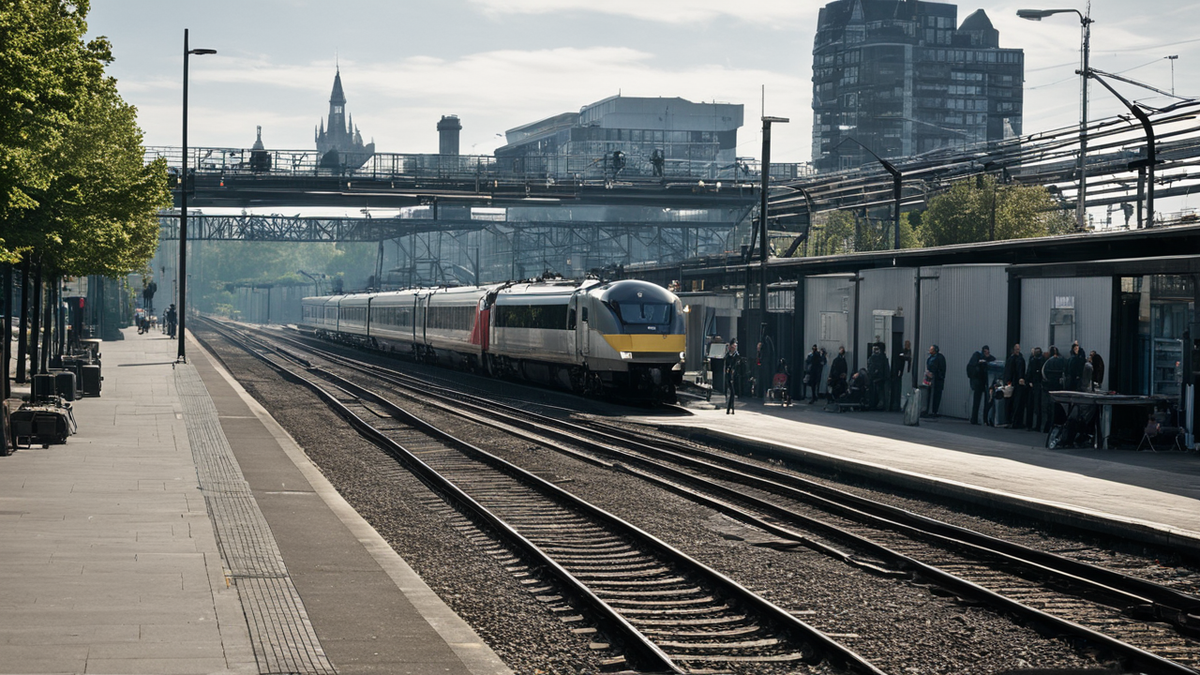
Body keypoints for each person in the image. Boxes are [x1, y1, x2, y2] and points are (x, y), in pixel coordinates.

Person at [1041, 346, 1066, 433]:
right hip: (1058, 388)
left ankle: (1048, 427)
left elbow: (1043, 374)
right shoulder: (1062, 360)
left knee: (1049, 409)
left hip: (1049, 387)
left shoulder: (1048, 362)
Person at [968, 345, 995, 425]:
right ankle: (978, 419)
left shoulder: (978, 357)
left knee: (979, 400)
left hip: (980, 381)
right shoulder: (978, 357)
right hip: (979, 381)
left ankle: (979, 419)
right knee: (979, 400)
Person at [1004, 343, 1027, 428]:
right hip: (1016, 384)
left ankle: (1011, 420)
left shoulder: (1013, 359)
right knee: (1016, 403)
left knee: (1012, 402)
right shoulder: (1019, 359)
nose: (1018, 350)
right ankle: (1014, 421)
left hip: (1014, 383)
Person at [1025, 347, 1046, 432]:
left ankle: (1030, 425)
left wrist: (1028, 381)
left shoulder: (1033, 360)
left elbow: (1029, 372)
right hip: (1038, 384)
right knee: (1037, 406)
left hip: (1033, 384)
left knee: (1032, 405)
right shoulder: (1042, 361)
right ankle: (1037, 425)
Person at [924, 345, 947, 417]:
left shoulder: (940, 358)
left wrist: (936, 374)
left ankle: (934, 411)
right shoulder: (930, 358)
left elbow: (941, 369)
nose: (930, 351)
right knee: (928, 393)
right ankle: (927, 410)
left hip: (937, 379)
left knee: (936, 395)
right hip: (929, 378)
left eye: (931, 349)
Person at [890, 339, 912, 412]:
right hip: (905, 372)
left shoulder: (905, 352)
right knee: (904, 389)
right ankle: (902, 405)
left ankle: (902, 405)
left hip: (904, 371)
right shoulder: (906, 352)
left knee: (904, 389)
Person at [867, 345, 889, 411]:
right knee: (878, 392)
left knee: (879, 391)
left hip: (878, 378)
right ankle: (877, 404)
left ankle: (879, 404)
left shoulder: (879, 358)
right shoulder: (879, 358)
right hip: (877, 377)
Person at [724, 340, 741, 414]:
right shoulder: (728, 356)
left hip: (735, 375)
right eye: (732, 347)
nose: (734, 348)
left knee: (733, 392)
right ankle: (729, 408)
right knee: (731, 392)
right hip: (729, 375)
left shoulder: (737, 356)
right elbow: (727, 364)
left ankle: (730, 408)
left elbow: (737, 365)